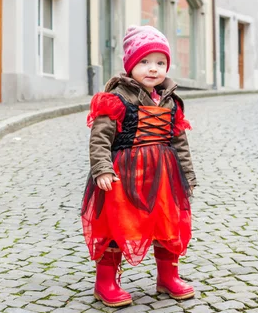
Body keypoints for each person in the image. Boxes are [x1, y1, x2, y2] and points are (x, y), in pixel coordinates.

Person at [81, 25, 197, 307]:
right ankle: (105, 282)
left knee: (167, 224)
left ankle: (168, 276)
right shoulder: (117, 98)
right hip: (124, 176)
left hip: (164, 177)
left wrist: (187, 176)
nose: (153, 69)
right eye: (144, 62)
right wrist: (102, 169)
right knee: (116, 226)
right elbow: (100, 138)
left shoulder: (170, 100)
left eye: (160, 62)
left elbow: (179, 141)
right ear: (131, 64)